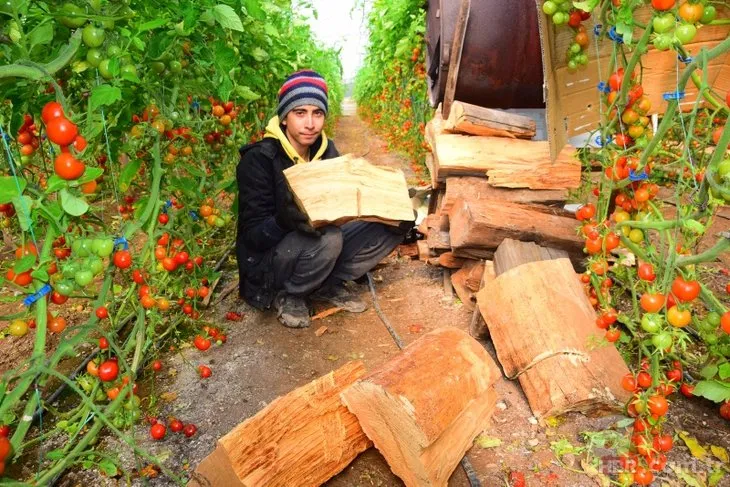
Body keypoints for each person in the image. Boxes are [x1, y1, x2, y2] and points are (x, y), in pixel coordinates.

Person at [236, 70, 413, 328]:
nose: (310, 123)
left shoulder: (326, 151)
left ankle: (327, 283)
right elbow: (252, 238)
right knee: (330, 238)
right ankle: (291, 294)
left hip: (315, 244)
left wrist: (385, 201)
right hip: (271, 262)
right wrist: (284, 220)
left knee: (395, 221)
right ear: (284, 117)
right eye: (300, 113)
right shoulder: (260, 160)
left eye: (317, 113)